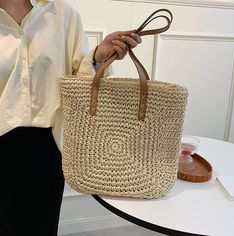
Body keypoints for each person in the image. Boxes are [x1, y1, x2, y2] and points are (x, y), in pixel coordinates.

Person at [0, 0, 142, 235]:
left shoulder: (63, 14)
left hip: (46, 150)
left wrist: (97, 56)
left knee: (40, 226)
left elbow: (79, 85)